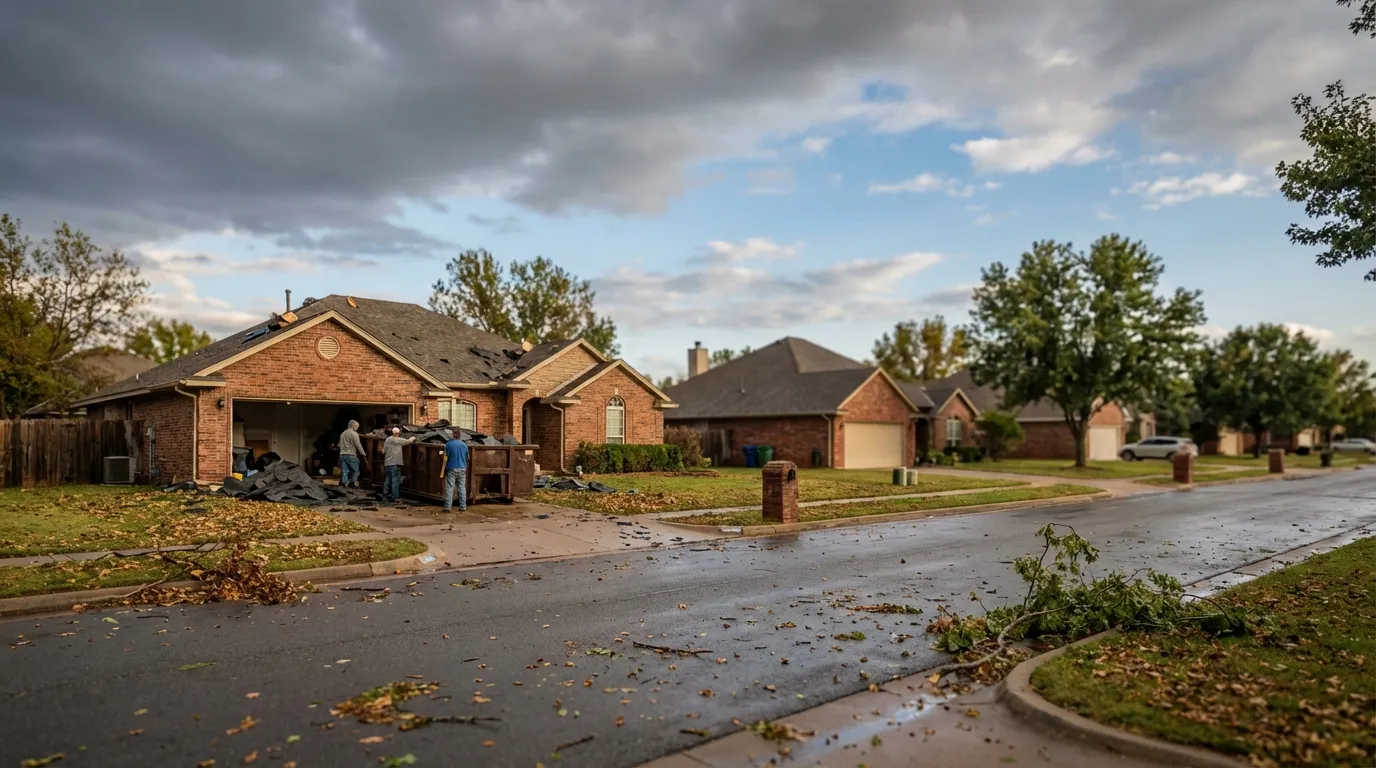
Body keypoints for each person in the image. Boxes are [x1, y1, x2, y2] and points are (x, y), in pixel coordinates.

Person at [382, 426, 415, 502]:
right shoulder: (395, 439)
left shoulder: (387, 440)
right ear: (397, 433)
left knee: (387, 479)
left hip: (388, 463)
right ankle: (394, 496)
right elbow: (407, 441)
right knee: (395, 480)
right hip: (395, 463)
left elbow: (383, 451)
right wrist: (412, 438)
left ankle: (385, 494)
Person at [442, 433, 470, 513]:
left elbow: (445, 456)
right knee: (461, 487)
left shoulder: (448, 444)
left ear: (453, 435)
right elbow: (467, 457)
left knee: (450, 487)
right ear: (459, 436)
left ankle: (447, 507)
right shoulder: (464, 445)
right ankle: (463, 507)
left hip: (451, 468)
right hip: (462, 468)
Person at [338, 420, 364, 489]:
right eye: (357, 426)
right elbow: (358, 444)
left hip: (342, 455)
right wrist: (363, 453)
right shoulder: (354, 433)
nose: (357, 428)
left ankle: (343, 485)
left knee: (345, 471)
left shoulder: (342, 434)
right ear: (353, 425)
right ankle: (352, 483)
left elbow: (340, 445)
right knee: (356, 471)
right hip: (351, 455)